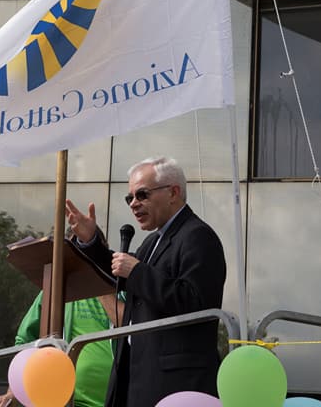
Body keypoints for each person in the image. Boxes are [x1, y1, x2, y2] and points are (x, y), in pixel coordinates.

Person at [65, 156, 226, 407]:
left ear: (173, 193)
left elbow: (196, 302)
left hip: (175, 384)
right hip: (137, 377)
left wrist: (137, 272)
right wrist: (91, 241)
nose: (134, 204)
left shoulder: (197, 236)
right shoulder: (152, 241)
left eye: (142, 195)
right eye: (129, 198)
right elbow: (120, 273)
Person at [0, 292, 120, 407]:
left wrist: (101, 289)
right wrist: (13, 393)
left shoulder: (122, 288)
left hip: (119, 398)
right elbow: (25, 342)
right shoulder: (57, 287)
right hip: (70, 401)